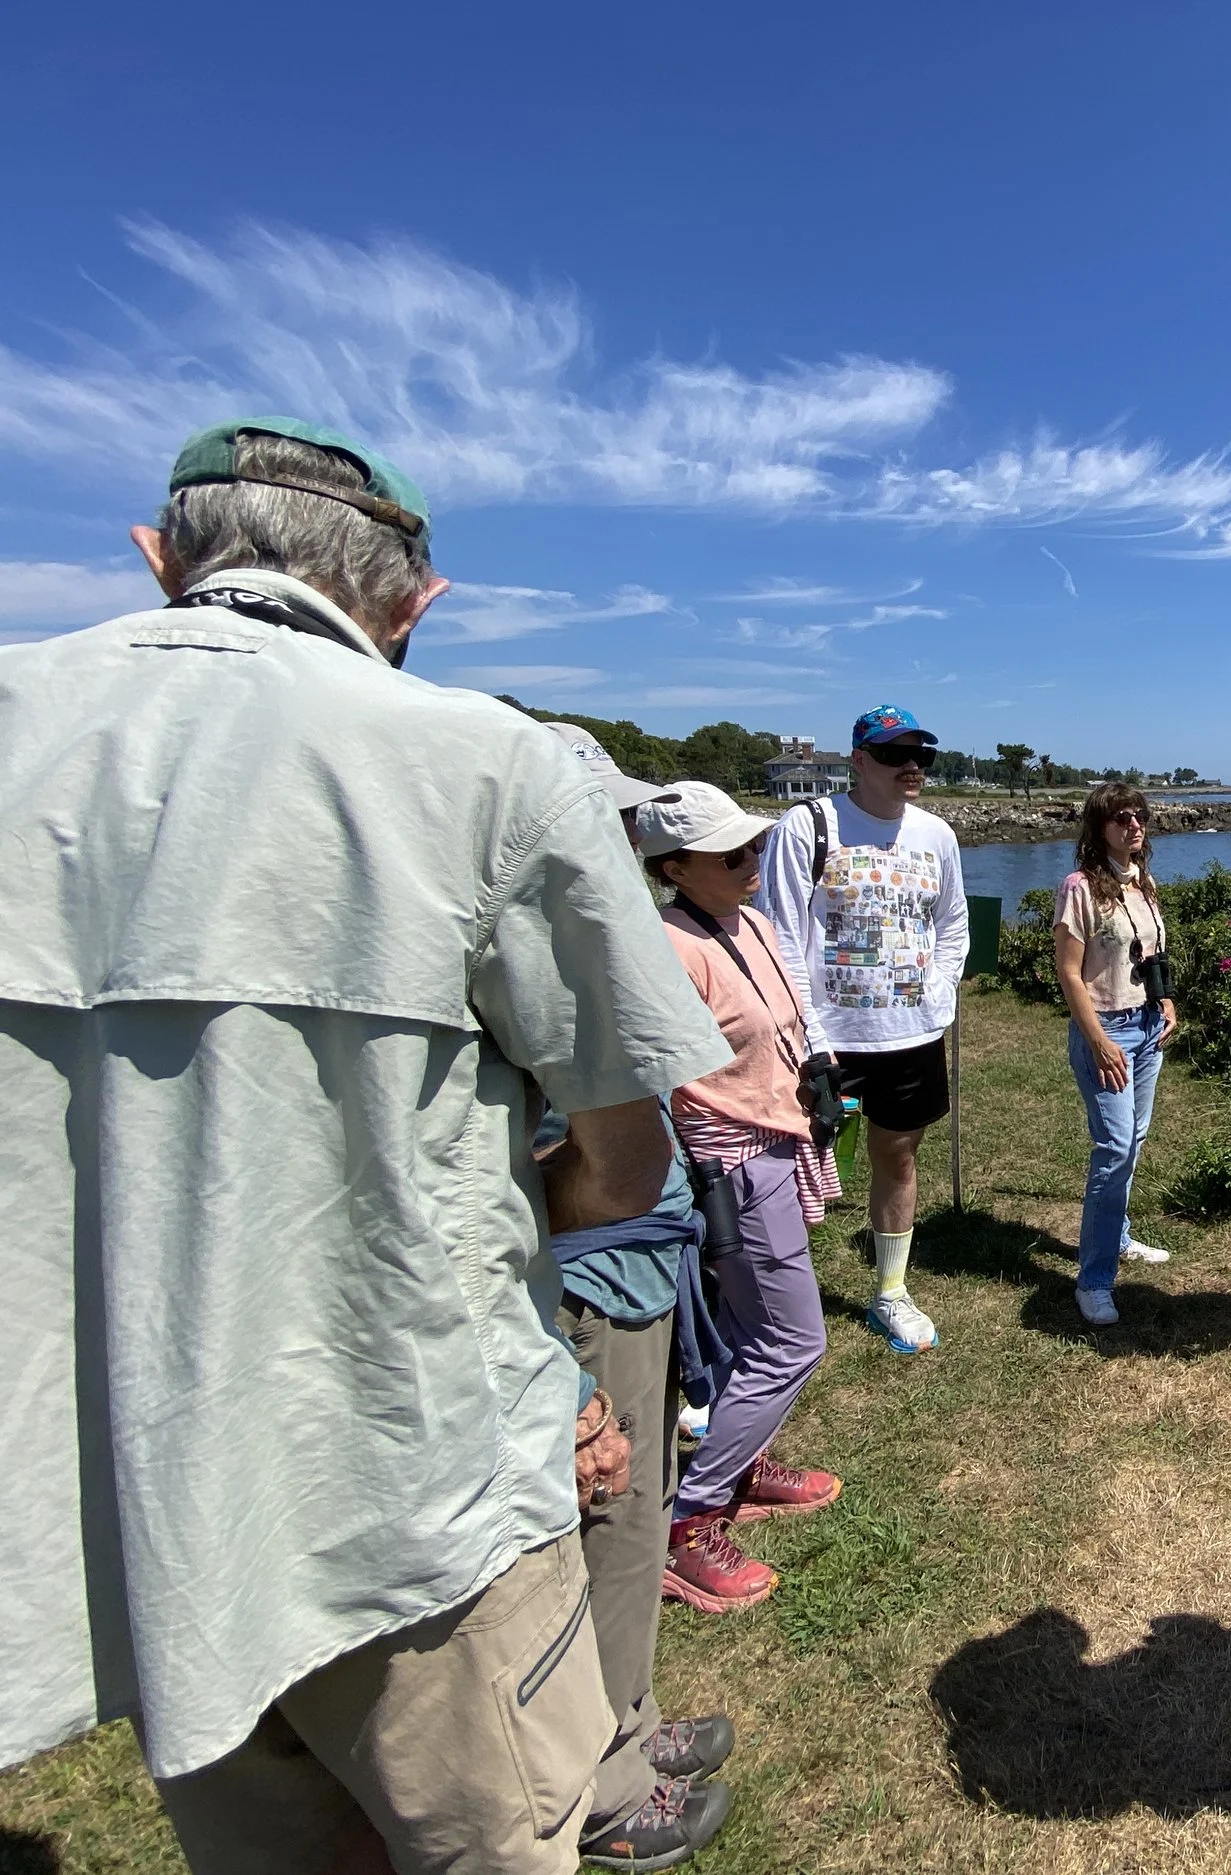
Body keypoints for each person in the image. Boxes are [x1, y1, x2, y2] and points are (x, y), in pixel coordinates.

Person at [0, 417, 734, 1871]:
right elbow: (625, 1156)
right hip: (411, 1474)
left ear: (157, 556)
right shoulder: (480, 764)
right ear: (415, 601)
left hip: (127, 1485)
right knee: (487, 1832)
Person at [536, 720, 740, 1867]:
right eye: (612, 822)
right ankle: (607, 1789)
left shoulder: (576, 932)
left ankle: (629, 1717)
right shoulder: (543, 940)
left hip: (636, 1263)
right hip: (593, 1276)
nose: (628, 841)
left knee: (641, 1506)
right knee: (609, 1529)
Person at [642, 783, 844, 1615]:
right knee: (791, 1340)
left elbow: (786, 1014)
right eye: (730, 853)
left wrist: (817, 1069)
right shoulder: (668, 945)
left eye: (753, 844)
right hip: (733, 1160)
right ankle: (689, 1521)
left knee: (745, 1327)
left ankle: (743, 1462)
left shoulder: (750, 921)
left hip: (778, 1137)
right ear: (675, 868)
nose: (751, 860)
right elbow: (661, 1073)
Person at [756, 704, 969, 1354]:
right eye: (894, 754)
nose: (912, 766)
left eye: (921, 755)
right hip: (826, 1040)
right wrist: (809, 1034)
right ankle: (772, 1306)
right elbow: (780, 934)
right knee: (788, 1171)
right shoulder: (807, 826)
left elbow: (951, 924)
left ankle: (891, 1291)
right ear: (858, 760)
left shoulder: (937, 835)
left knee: (898, 1156)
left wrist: (937, 995)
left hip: (911, 1036)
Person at [1052, 782, 1180, 1327]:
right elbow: (1069, 973)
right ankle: (1095, 1280)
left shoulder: (1141, 882)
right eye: (1121, 818)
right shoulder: (1079, 887)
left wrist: (1165, 999)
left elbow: (1148, 953)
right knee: (1115, 1147)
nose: (1134, 826)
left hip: (1146, 1025)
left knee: (1134, 1141)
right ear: (1098, 827)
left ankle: (1118, 1236)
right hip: (1105, 1030)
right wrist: (1099, 1041)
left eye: (1139, 816)